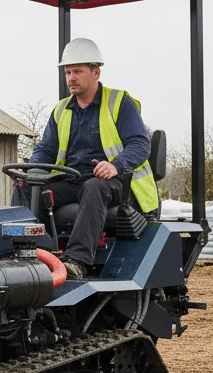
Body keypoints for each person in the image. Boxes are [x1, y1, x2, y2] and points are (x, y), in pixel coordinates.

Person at [14, 38, 158, 280]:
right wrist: (33, 172)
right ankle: (24, 254)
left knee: (94, 186)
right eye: (68, 72)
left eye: (77, 71)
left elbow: (140, 144)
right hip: (72, 180)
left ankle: (76, 261)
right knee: (25, 189)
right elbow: (46, 149)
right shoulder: (61, 110)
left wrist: (116, 165)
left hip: (114, 182)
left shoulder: (119, 103)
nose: (71, 77)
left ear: (96, 72)